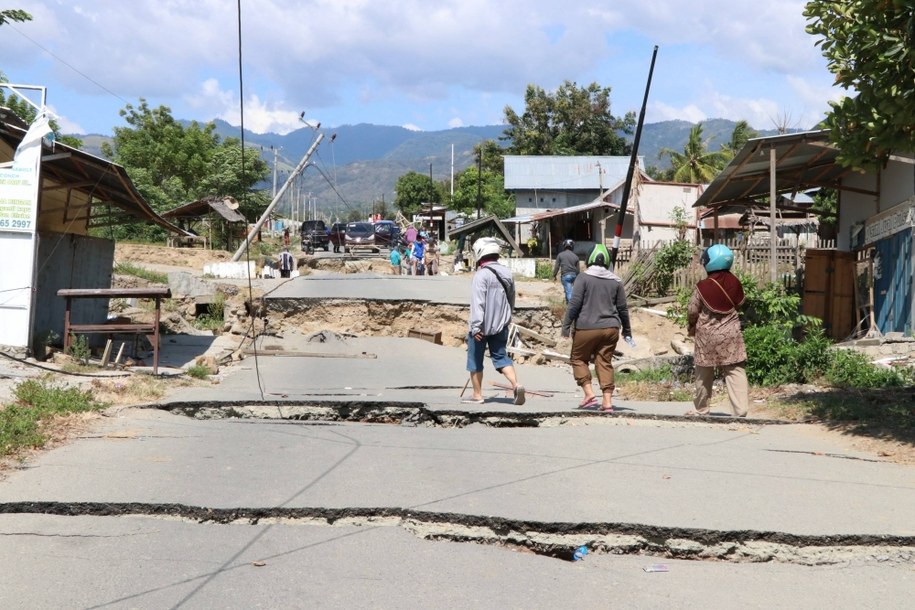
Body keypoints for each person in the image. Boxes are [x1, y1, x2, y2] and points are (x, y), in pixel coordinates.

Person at [561, 244, 632, 412]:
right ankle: (607, 402)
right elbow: (623, 308)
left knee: (578, 359)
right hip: (611, 329)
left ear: (588, 259)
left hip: (587, 327)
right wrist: (627, 330)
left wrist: (565, 326)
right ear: (607, 261)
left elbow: (574, 304)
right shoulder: (616, 281)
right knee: (604, 362)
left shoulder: (583, 278)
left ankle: (589, 394)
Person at [685, 244, 748, 418]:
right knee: (735, 370)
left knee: (704, 372)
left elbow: (692, 310)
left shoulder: (703, 286)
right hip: (731, 335)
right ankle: (740, 410)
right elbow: (741, 303)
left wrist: (691, 326)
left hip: (707, 336)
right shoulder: (735, 282)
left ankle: (701, 409)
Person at [464, 237, 525, 406]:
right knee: (501, 357)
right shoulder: (507, 273)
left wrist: (476, 327)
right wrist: (506, 318)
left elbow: (478, 303)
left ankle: (477, 395)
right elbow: (511, 299)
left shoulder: (481, 275)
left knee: (475, 360)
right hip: (501, 325)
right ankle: (516, 385)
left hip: (481, 327)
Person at [552, 239, 581, 303]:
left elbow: (557, 266)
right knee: (570, 291)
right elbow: (578, 270)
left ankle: (571, 306)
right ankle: (568, 304)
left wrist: (554, 275)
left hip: (566, 276)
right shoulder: (576, 256)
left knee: (568, 292)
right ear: (572, 246)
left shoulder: (560, 255)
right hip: (574, 276)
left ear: (564, 246)